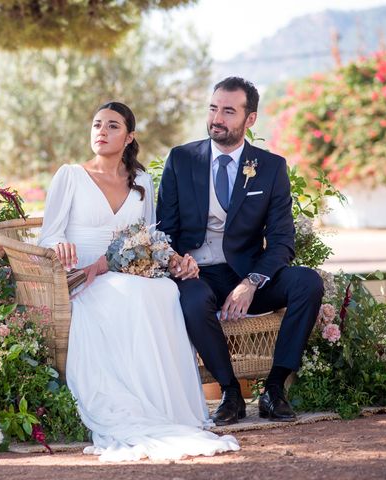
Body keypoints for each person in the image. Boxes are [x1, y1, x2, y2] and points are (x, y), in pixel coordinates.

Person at [38, 102, 239, 461]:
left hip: (126, 272)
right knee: (131, 292)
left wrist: (175, 260)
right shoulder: (69, 175)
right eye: (97, 124)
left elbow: (148, 237)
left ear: (129, 137)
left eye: (112, 126)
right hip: (84, 277)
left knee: (163, 289)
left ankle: (160, 403)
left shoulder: (142, 182)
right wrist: (61, 245)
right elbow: (47, 236)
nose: (101, 131)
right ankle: (132, 403)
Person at [156, 77, 324, 426]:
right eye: (213, 108)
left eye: (229, 111)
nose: (217, 117)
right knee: (191, 300)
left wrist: (252, 281)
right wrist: (175, 259)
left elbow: (281, 240)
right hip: (197, 274)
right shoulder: (181, 159)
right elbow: (164, 231)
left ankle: (275, 388)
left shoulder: (271, 167)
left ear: (250, 120)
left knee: (307, 283)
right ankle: (230, 392)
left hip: (246, 275)